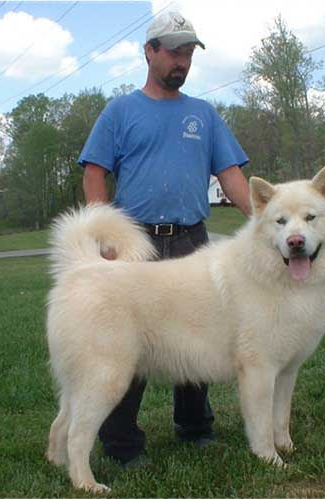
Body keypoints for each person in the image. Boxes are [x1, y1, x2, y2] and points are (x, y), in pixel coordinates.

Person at [77, 10, 251, 467]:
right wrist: (103, 238)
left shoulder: (204, 114)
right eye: (174, 51)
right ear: (149, 51)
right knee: (127, 345)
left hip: (193, 241)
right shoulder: (120, 112)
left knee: (199, 338)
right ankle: (122, 444)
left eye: (189, 53)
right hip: (135, 245)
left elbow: (230, 176)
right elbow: (95, 175)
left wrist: (269, 220)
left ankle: (195, 428)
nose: (182, 61)